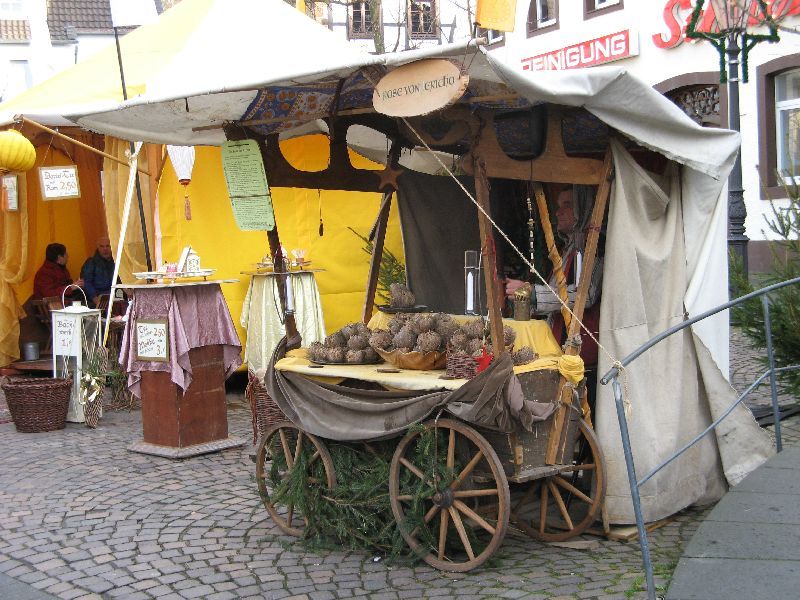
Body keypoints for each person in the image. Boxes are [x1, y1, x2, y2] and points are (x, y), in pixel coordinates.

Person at [504, 185, 604, 369]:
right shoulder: (569, 248)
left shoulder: (594, 245)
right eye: (559, 206)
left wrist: (534, 294)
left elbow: (586, 294)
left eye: (567, 205)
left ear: (583, 207)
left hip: (582, 351)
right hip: (562, 347)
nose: (558, 212)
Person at [80, 236, 116, 308]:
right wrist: (94, 298)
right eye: (102, 246)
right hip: (97, 297)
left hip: (115, 296)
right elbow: (86, 282)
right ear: (98, 248)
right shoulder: (91, 262)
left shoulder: (116, 262)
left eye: (108, 246)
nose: (105, 249)